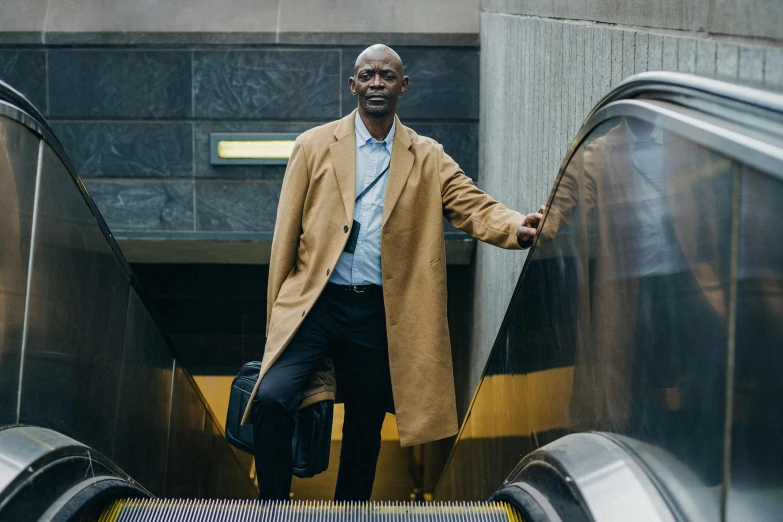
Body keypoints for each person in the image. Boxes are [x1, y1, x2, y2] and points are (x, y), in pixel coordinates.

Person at [241, 44, 544, 501]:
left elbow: (472, 204)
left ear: (403, 86)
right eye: (366, 76)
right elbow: (285, 237)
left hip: (378, 310)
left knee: (366, 421)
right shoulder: (313, 145)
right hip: (315, 304)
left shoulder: (427, 155)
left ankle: (351, 512)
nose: (376, 84)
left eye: (386, 76)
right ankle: (272, 507)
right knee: (270, 397)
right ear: (352, 85)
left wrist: (518, 227)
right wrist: (277, 316)